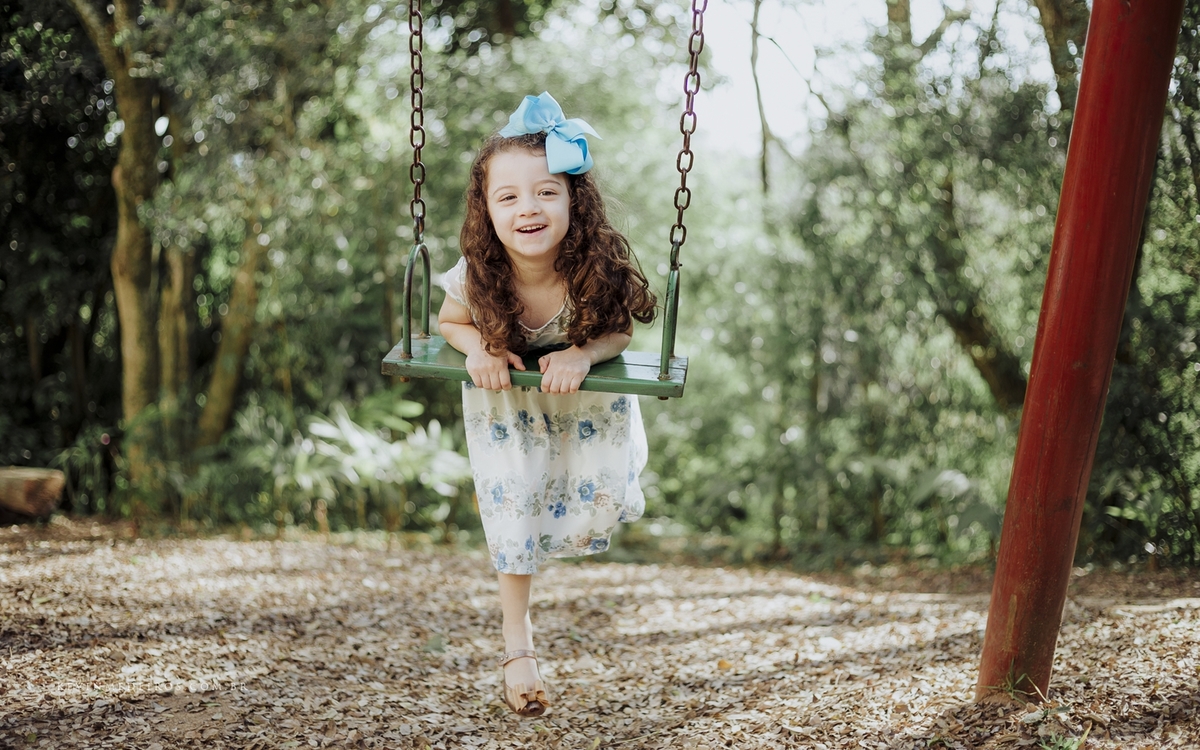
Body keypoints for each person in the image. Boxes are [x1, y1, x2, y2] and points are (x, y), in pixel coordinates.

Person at [437, 92, 656, 717]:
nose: (527, 208)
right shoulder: (476, 272)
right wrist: (477, 345)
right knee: (514, 515)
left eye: (545, 193)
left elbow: (622, 331)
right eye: (507, 196)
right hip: (507, 407)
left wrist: (583, 354)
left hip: (583, 404)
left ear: (573, 202)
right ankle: (518, 645)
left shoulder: (595, 260)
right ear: (487, 209)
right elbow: (450, 321)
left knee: (592, 505)